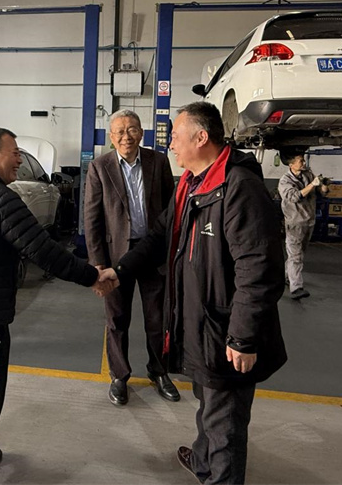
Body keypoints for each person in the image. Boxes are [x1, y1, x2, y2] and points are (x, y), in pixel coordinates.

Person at [106, 102, 287, 484]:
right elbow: (159, 236)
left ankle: (219, 475)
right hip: (200, 323)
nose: (170, 144)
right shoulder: (191, 183)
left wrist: (243, 337)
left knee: (225, 421)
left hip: (226, 330)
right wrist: (119, 271)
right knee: (208, 403)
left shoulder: (239, 188)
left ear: (201, 138)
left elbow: (259, 270)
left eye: (175, 136)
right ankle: (203, 460)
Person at [0, 127, 117, 485]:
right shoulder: (0, 198)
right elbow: (42, 250)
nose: (18, 159)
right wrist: (92, 276)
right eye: (13, 152)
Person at [84, 109, 178, 406]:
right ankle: (119, 376)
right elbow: (92, 218)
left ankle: (159, 371)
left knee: (157, 317)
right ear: (111, 137)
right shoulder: (100, 167)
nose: (127, 136)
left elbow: (171, 210)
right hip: (116, 256)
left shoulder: (158, 161)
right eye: (120, 132)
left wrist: (171, 250)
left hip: (152, 252)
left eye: (132, 129)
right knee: (117, 318)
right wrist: (98, 263)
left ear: (142, 133)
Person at [278, 150, 329, 300]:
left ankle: (287, 276)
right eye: (301, 161)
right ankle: (296, 287)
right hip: (295, 223)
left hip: (309, 221)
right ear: (291, 164)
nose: (304, 163)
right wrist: (312, 184)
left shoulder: (307, 174)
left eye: (304, 160)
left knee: (299, 254)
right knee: (295, 256)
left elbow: (321, 191)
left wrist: (323, 186)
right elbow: (294, 197)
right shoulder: (285, 181)